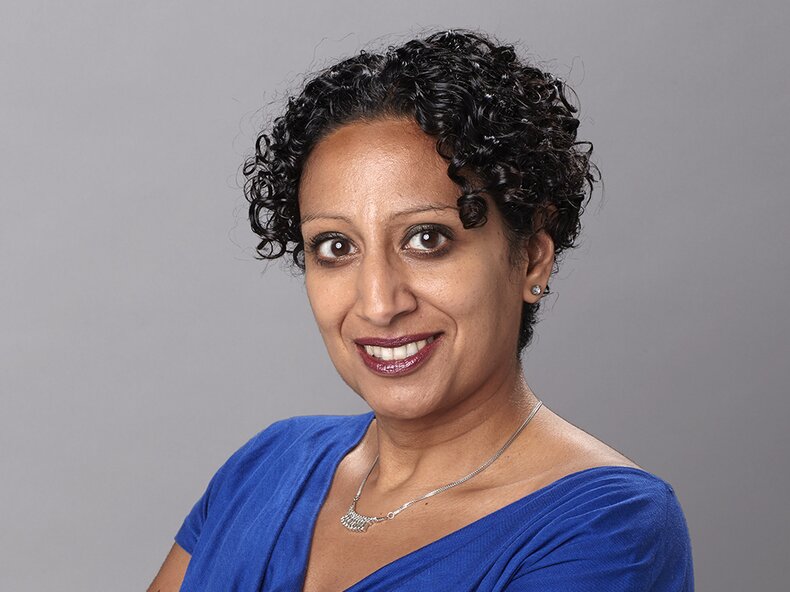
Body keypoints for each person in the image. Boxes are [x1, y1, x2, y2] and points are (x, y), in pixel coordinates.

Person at [148, 29, 693, 591]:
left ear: (531, 258)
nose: (379, 303)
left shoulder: (607, 528)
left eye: (427, 239)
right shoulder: (268, 466)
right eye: (336, 246)